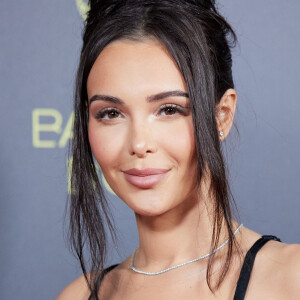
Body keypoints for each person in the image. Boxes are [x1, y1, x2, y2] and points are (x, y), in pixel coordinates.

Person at [57, 0, 300, 299]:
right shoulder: (81, 295)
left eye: (169, 109)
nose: (139, 144)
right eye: (110, 113)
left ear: (222, 115)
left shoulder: (290, 277)